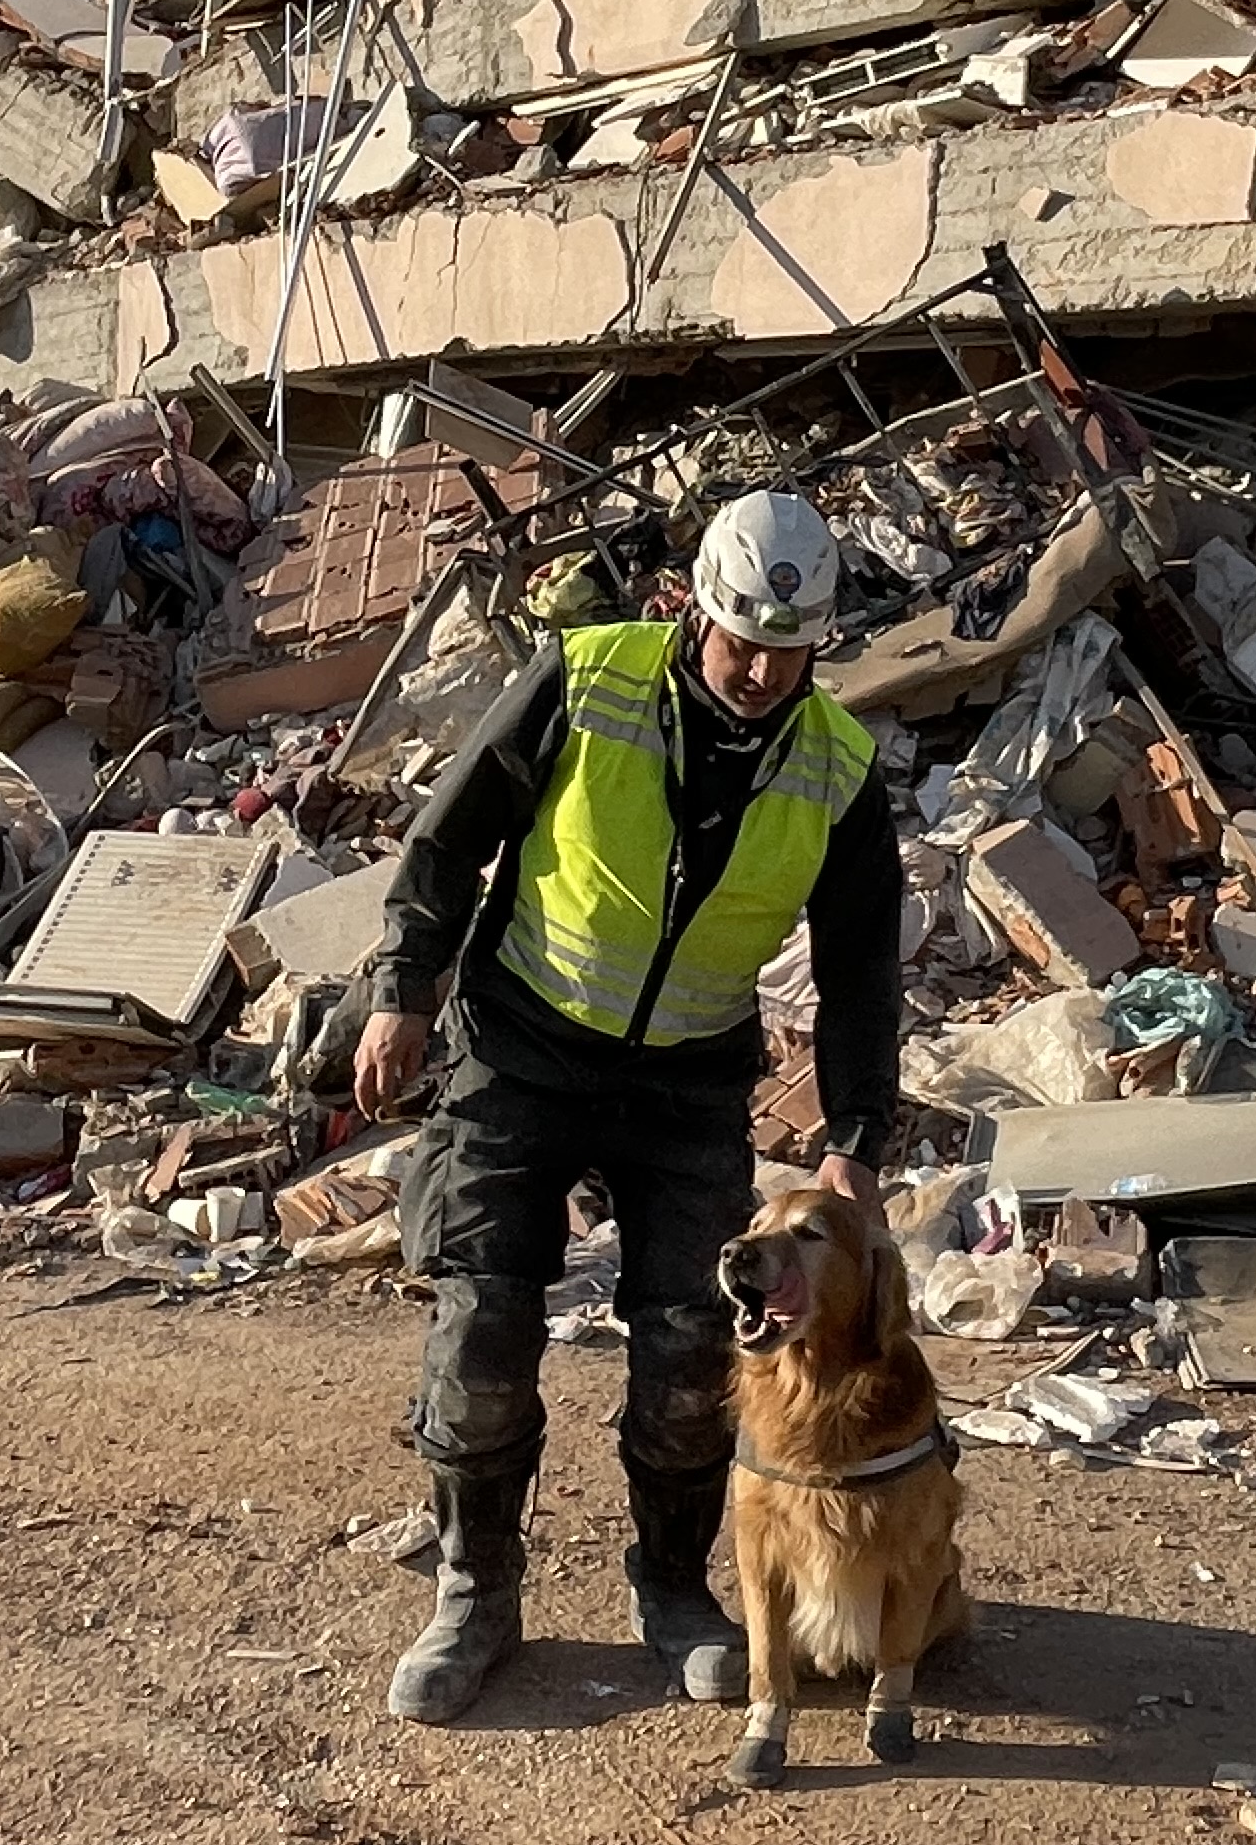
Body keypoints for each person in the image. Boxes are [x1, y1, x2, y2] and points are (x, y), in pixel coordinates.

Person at [356, 488, 902, 1724]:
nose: (761, 670)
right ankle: (475, 1593)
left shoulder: (837, 767)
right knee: (483, 1336)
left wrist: (859, 1135)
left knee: (691, 1355)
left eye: (789, 649)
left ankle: (673, 1591)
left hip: (685, 1082)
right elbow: (447, 845)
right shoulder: (586, 679)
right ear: (692, 608)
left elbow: (864, 964)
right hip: (520, 1048)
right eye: (740, 640)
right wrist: (400, 992)